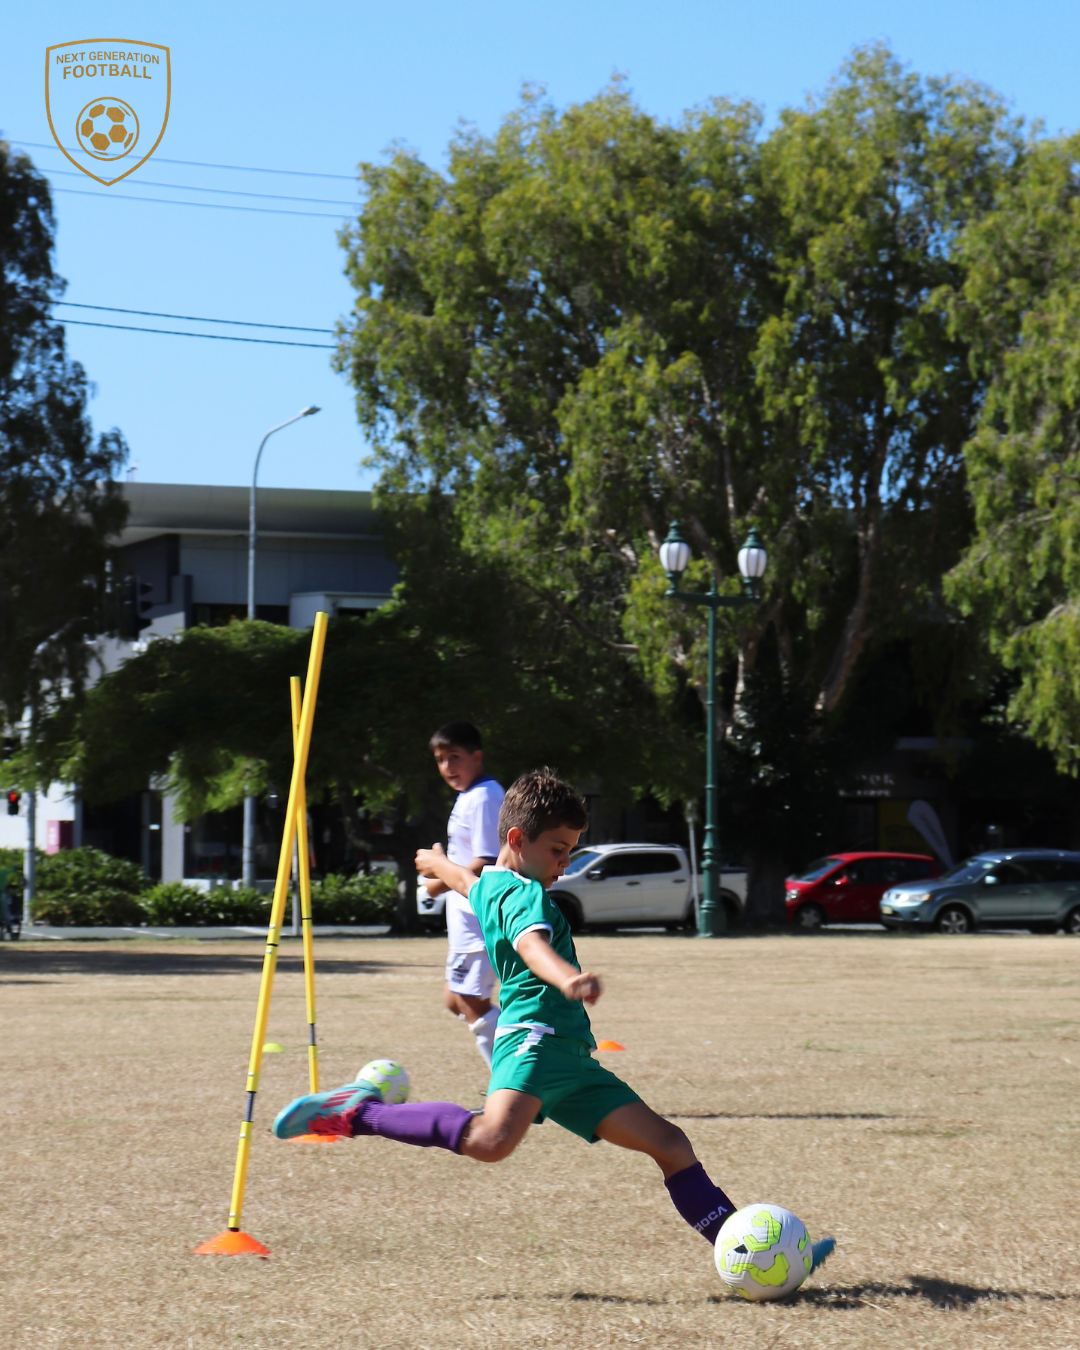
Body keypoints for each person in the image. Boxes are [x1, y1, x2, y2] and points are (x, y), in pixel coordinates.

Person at [274, 769, 835, 1267]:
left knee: (671, 1144)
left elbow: (469, 882)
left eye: (570, 851)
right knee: (492, 1141)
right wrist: (566, 977)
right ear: (518, 839)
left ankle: (757, 1253)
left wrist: (436, 863)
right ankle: (358, 1113)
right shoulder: (528, 899)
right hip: (535, 1041)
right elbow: (530, 944)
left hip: (571, 1056)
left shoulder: (496, 881)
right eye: (558, 850)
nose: (565, 864)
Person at [424, 721, 505, 1068]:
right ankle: (527, 1066)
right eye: (441, 760)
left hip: (478, 919)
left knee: (471, 1001)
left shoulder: (485, 796)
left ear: (477, 756)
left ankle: (519, 1088)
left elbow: (488, 860)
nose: (447, 767)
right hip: (464, 920)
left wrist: (437, 875)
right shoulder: (470, 795)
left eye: (454, 757)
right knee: (454, 999)